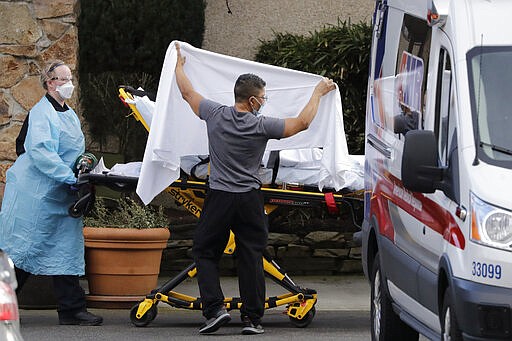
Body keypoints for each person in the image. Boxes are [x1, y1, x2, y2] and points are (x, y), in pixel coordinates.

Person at [174, 42, 335, 335]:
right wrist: (318, 92)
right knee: (250, 256)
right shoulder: (261, 126)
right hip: (248, 199)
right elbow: (302, 122)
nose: (264, 101)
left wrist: (179, 64)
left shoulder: (215, 113)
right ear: (251, 100)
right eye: (262, 97)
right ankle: (252, 320)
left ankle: (215, 310)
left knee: (205, 252)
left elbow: (187, 92)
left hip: (219, 197)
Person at [0, 60, 103, 326]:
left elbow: (72, 148)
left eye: (71, 78)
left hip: (59, 194)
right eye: (64, 79)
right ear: (50, 82)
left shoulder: (67, 112)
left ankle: (71, 309)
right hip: (36, 195)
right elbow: (42, 152)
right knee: (23, 252)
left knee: (65, 251)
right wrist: (70, 178)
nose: (69, 84)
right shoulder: (41, 113)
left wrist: (85, 162)